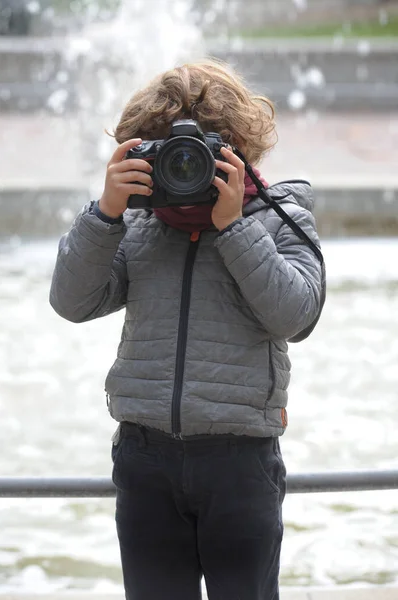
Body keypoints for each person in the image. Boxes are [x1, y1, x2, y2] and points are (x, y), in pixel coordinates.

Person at [49, 59, 325, 600]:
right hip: (145, 457)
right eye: (166, 152)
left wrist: (235, 228)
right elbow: (71, 302)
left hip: (241, 459)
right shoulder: (136, 221)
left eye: (201, 149)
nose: (185, 165)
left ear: (240, 147)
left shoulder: (278, 216)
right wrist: (105, 212)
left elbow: (297, 316)